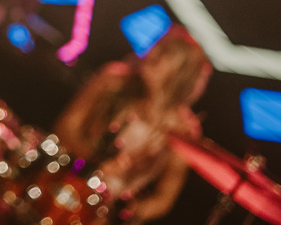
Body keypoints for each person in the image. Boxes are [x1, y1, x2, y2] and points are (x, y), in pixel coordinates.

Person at [51, 25, 213, 224]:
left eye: (166, 53)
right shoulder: (113, 79)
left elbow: (164, 200)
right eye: (158, 45)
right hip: (66, 181)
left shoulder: (184, 130)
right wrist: (95, 164)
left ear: (183, 74)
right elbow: (66, 127)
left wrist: (127, 209)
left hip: (103, 215)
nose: (153, 53)